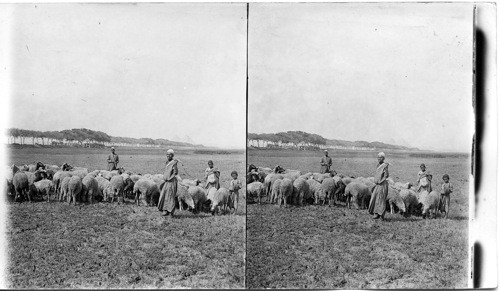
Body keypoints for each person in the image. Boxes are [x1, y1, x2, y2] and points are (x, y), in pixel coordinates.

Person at [368, 152, 389, 220]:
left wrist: (380, 181)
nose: (379, 159)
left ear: (383, 158)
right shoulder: (378, 165)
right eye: (378, 157)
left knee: (381, 199)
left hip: (382, 185)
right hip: (377, 185)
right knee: (375, 198)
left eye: (381, 157)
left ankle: (381, 215)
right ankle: (376, 213)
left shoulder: (385, 165)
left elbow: (386, 175)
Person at [158, 149, 178, 218]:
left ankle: (171, 212)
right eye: (167, 154)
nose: (168, 156)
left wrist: (169, 178)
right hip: (166, 182)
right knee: (164, 195)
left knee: (170, 196)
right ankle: (165, 210)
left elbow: (175, 172)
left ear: (172, 155)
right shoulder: (167, 162)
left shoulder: (174, 163)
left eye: (170, 154)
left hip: (172, 182)